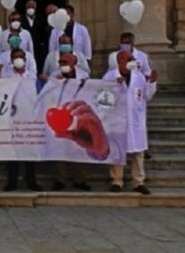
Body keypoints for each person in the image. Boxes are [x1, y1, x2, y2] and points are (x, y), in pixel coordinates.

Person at [103, 50, 157, 195]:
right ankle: (117, 181)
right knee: (117, 151)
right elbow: (102, 97)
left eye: (133, 58)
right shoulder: (110, 76)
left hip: (135, 120)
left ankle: (138, 182)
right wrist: (114, 87)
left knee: (138, 153)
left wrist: (151, 82)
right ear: (120, 61)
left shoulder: (139, 77)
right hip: (117, 121)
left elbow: (147, 95)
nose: (133, 60)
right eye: (129, 59)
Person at [0, 49, 42, 192]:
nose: (19, 60)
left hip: (29, 117)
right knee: (13, 152)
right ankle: (12, 182)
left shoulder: (32, 77)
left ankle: (31, 181)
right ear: (11, 60)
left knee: (30, 151)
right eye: (15, 58)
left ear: (25, 59)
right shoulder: (6, 76)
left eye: (21, 57)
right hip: (12, 118)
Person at [50, 53, 92, 191]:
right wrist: (57, 83)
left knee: (80, 147)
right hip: (61, 114)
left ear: (74, 63)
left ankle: (80, 179)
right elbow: (49, 94)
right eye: (61, 62)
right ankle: (59, 179)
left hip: (78, 115)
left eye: (65, 62)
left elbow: (89, 91)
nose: (63, 64)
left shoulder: (83, 75)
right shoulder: (55, 75)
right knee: (60, 147)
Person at [21, 0, 49, 73]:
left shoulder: (42, 19)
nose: (31, 8)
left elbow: (44, 33)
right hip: (26, 49)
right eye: (29, 7)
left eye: (32, 7)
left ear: (35, 8)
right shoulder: (21, 20)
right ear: (25, 8)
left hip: (39, 49)